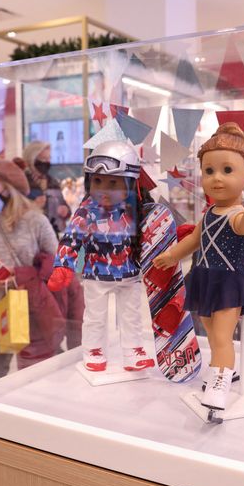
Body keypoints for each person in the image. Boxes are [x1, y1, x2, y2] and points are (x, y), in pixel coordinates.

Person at [153, 123, 244, 413]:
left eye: (227, 170)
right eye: (209, 171)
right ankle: (225, 368)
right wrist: (172, 255)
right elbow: (194, 239)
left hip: (228, 283)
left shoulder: (237, 214)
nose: (217, 178)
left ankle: (220, 380)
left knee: (221, 335)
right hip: (204, 278)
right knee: (209, 328)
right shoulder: (209, 214)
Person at [47, 140, 155, 373]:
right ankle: (93, 350)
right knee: (95, 316)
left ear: (130, 182)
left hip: (129, 273)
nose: (103, 189)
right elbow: (72, 236)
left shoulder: (138, 208)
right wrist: (64, 264)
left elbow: (154, 232)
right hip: (97, 273)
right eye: (97, 181)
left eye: (113, 182)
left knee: (132, 315)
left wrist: (171, 239)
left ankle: (133, 350)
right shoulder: (88, 210)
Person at [0, 159, 61, 381]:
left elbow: (57, 262)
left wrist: (22, 276)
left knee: (38, 372)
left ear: (8, 187)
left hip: (33, 305)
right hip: (0, 309)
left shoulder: (36, 221)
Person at [23, 140, 71, 234]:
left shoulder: (53, 182)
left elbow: (64, 206)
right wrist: (33, 207)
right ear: (32, 160)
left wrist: (65, 211)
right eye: (43, 159)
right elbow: (13, 212)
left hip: (52, 233)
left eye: (49, 158)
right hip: (30, 234)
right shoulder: (23, 182)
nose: (47, 162)